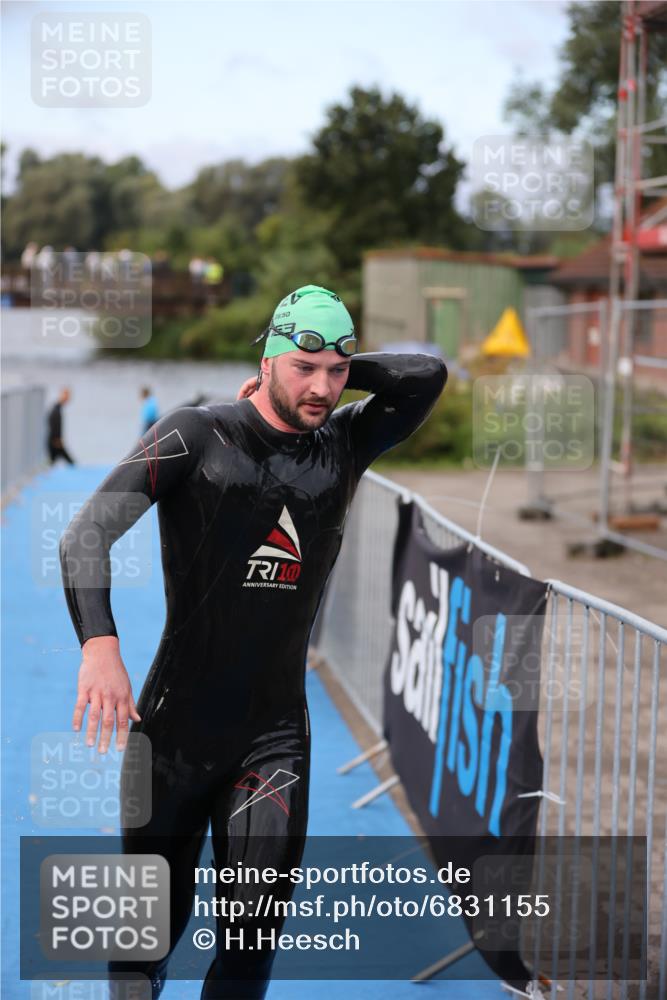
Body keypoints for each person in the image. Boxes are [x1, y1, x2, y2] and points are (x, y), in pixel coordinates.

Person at [59, 285, 447, 999]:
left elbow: (427, 376)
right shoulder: (196, 434)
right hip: (171, 735)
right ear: (265, 359)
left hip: (272, 740)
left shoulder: (345, 444)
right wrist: (99, 646)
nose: (322, 388)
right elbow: (87, 533)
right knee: (142, 941)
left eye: (337, 371)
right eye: (304, 368)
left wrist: (328, 360)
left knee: (251, 943)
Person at [46, 387, 75, 464]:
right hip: (54, 442)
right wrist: (57, 439)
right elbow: (52, 423)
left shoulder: (57, 408)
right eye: (66, 396)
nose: (68, 398)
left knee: (51, 463)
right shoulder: (56, 410)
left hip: (55, 441)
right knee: (71, 463)